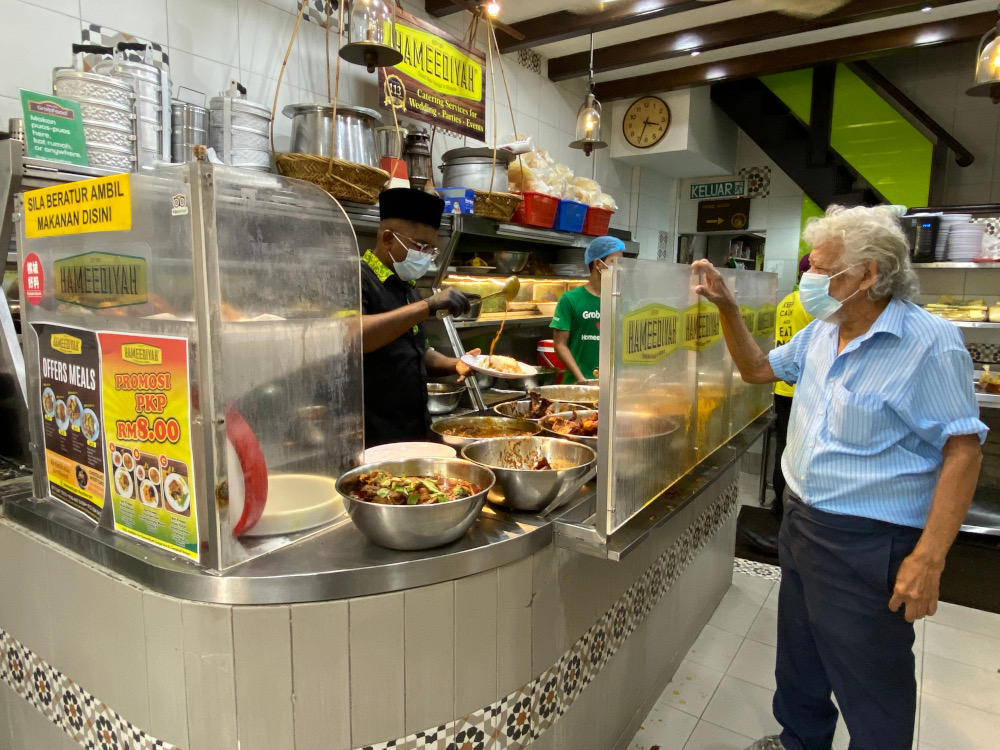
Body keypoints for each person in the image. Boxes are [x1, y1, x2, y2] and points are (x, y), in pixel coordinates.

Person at [693, 205, 986, 750]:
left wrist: (928, 559)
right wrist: (728, 308)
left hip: (868, 541)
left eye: (822, 269)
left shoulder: (930, 343)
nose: (809, 278)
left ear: (867, 274)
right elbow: (758, 369)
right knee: (800, 658)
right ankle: (800, 741)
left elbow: (963, 452)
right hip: (801, 521)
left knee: (870, 681)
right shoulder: (822, 333)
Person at [360, 188, 475, 448]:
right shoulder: (358, 278)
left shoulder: (407, 286)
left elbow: (415, 351)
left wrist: (457, 364)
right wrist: (428, 305)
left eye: (431, 249)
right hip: (374, 435)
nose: (425, 256)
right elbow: (356, 338)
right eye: (421, 246)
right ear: (388, 239)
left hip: (414, 429)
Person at [745, 254, 814, 556]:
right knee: (793, 451)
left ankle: (778, 510)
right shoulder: (812, 307)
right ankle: (784, 515)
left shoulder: (786, 301)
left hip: (782, 386)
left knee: (784, 448)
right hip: (798, 386)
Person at [550, 236, 624, 384]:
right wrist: (582, 379)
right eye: (614, 262)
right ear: (598, 264)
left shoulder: (620, 300)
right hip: (577, 384)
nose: (619, 268)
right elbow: (559, 344)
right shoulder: (570, 299)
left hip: (612, 385)